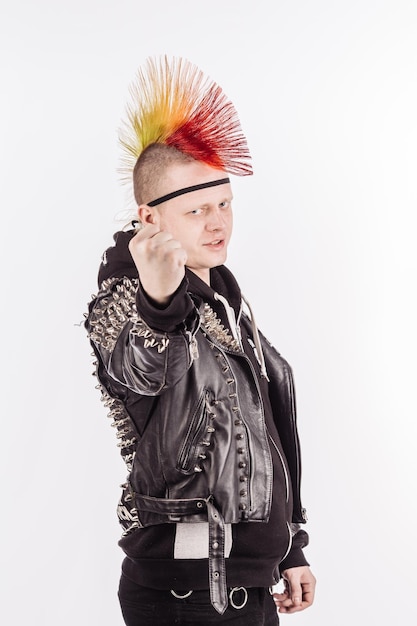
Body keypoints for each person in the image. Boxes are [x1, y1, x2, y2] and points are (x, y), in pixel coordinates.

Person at [85, 56, 316, 625]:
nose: (218, 224)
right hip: (185, 597)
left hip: (248, 592)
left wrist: (291, 545)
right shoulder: (125, 299)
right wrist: (159, 305)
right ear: (151, 217)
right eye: (196, 211)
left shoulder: (230, 307)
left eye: (224, 205)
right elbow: (135, 370)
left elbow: (256, 437)